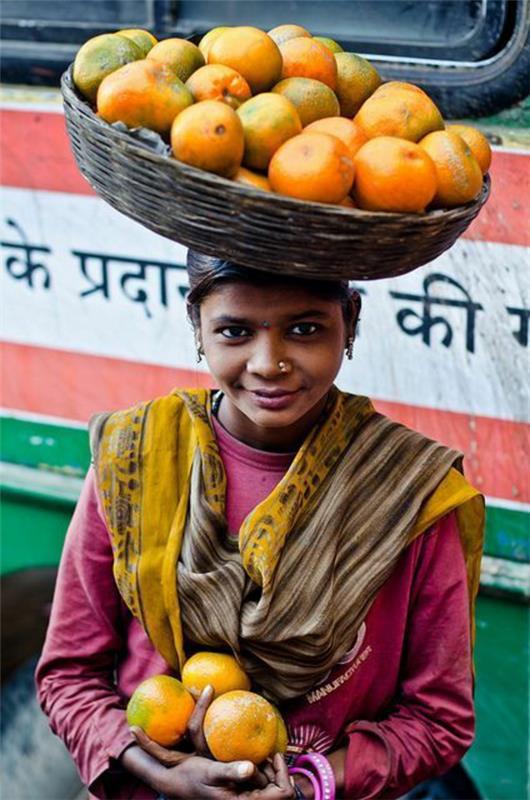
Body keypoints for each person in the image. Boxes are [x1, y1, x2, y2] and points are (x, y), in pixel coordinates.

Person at [36, 250, 484, 800]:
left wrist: (305, 786)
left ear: (351, 322)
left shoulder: (410, 491)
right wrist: (158, 773)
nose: (268, 363)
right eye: (234, 331)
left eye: (304, 329)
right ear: (196, 326)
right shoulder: (137, 460)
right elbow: (69, 675)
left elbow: (438, 719)